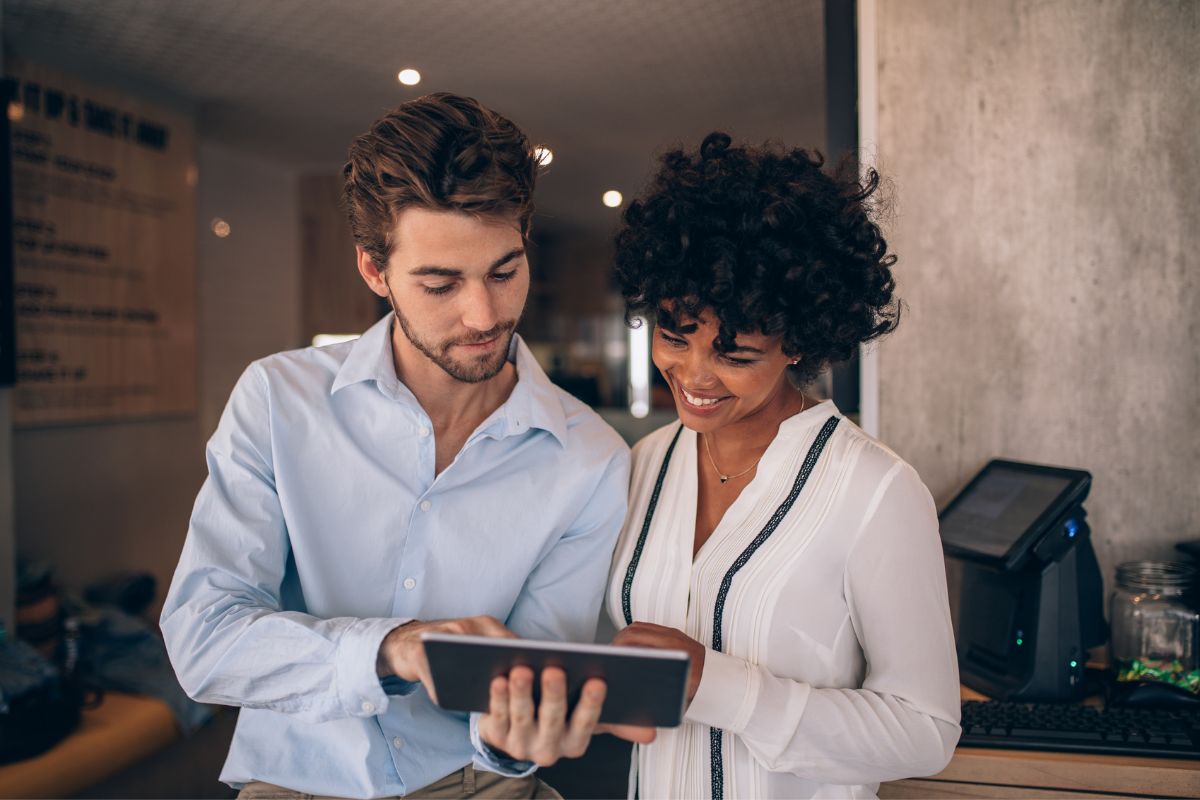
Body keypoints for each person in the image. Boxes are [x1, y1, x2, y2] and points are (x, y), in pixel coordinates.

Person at [160, 93, 637, 800]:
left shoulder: (590, 457)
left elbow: (531, 686)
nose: (484, 315)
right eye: (441, 284)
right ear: (374, 272)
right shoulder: (278, 400)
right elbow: (205, 639)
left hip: (481, 785)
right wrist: (391, 650)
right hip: (297, 779)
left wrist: (518, 736)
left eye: (504, 272)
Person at [605, 132, 961, 799]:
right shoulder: (643, 465)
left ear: (799, 339)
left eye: (735, 355)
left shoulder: (877, 492)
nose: (693, 375)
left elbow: (927, 730)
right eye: (674, 337)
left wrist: (716, 687)